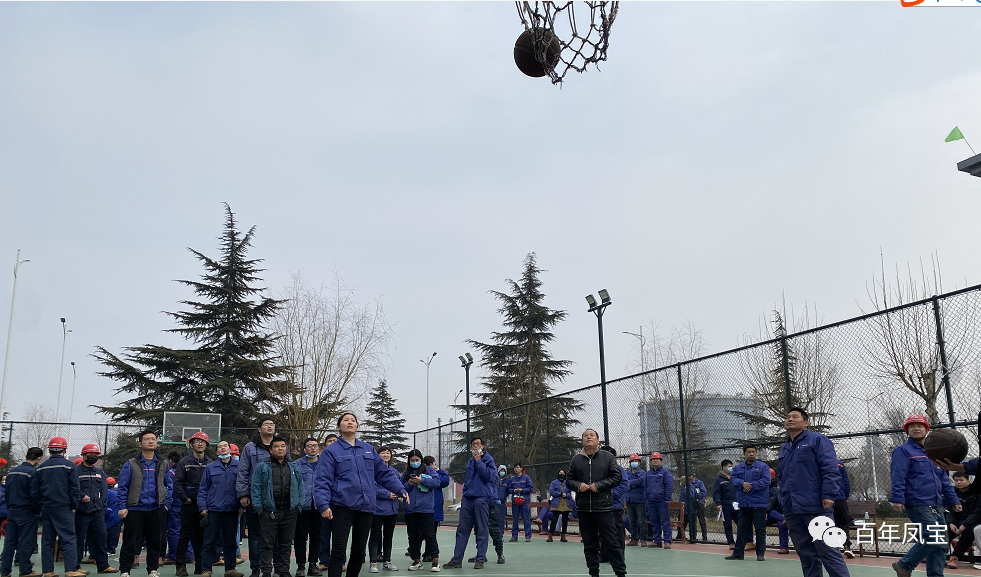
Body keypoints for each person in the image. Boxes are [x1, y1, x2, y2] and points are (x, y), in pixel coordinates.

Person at [314, 413, 407, 577]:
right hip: (342, 506)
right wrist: (323, 504)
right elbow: (322, 479)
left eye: (353, 420)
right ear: (338, 426)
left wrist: (401, 489)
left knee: (359, 551)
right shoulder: (331, 451)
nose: (350, 422)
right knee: (338, 551)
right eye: (345, 420)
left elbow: (383, 473)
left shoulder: (368, 449)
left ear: (357, 426)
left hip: (366, 507)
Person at [778, 407, 850, 577]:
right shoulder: (785, 447)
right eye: (787, 417)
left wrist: (829, 494)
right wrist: (784, 501)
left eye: (795, 417)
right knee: (806, 554)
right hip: (792, 509)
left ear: (806, 423)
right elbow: (783, 477)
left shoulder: (817, 440)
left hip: (816, 507)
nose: (790, 419)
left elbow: (830, 468)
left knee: (829, 552)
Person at [889, 414, 960, 577]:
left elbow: (944, 479)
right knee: (933, 537)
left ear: (927, 429)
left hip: (936, 503)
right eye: (912, 426)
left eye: (920, 425)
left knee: (941, 543)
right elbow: (898, 476)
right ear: (907, 430)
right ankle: (904, 565)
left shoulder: (933, 452)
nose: (916, 428)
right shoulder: (903, 451)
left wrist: (954, 499)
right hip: (917, 503)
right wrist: (898, 499)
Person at [566, 429, 625, 577]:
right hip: (584, 509)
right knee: (589, 545)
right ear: (582, 441)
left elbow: (617, 477)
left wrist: (599, 485)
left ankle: (620, 573)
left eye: (592, 435)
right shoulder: (576, 460)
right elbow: (569, 481)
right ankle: (594, 573)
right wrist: (578, 485)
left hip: (603, 508)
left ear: (598, 440)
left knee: (612, 543)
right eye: (585, 436)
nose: (588, 437)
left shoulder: (608, 457)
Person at [117, 429, 174, 577]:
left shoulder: (163, 463)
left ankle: (152, 570)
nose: (150, 441)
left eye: (153, 439)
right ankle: (125, 570)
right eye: (147, 439)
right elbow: (123, 487)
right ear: (140, 443)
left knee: (155, 542)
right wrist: (122, 507)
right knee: (130, 542)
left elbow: (169, 485)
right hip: (135, 509)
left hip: (156, 508)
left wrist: (166, 504)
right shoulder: (131, 463)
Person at [31, 436, 85, 577]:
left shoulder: (41, 468)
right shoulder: (69, 466)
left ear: (49, 450)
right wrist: (74, 505)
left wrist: (39, 507)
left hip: (47, 508)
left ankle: (48, 571)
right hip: (64, 507)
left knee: (47, 541)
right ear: (64, 450)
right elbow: (74, 488)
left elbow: (35, 491)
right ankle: (70, 570)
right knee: (68, 539)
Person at [250, 436, 303, 577]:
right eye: (276, 446)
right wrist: (259, 508)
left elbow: (301, 487)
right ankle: (266, 572)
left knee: (286, 544)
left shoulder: (294, 466)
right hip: (268, 512)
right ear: (270, 450)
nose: (280, 449)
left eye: (283, 446)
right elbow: (255, 488)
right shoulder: (262, 467)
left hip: (289, 511)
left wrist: (298, 506)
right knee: (267, 545)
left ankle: (284, 571)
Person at [441, 437, 496, 570]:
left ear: (482, 446)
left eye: (478, 444)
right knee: (462, 529)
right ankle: (457, 560)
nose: (475, 446)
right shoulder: (470, 461)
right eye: (473, 444)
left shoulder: (488, 460)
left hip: (481, 498)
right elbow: (468, 479)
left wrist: (479, 461)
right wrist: (465, 492)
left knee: (482, 529)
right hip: (468, 498)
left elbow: (489, 477)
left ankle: (480, 559)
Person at [197, 440, 243, 577]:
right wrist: (203, 507)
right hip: (213, 510)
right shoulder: (210, 467)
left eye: (225, 446)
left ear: (230, 449)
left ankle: (230, 569)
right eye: (219, 447)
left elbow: (243, 487)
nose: (223, 448)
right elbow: (203, 488)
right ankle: (206, 570)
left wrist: (241, 506)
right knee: (209, 541)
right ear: (217, 451)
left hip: (232, 510)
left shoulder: (239, 466)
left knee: (230, 541)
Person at [237, 417, 276, 577]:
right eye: (266, 424)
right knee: (254, 535)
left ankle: (275, 569)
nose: (270, 427)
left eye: (272, 424)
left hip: (277, 498)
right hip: (255, 497)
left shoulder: (280, 446)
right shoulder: (249, 447)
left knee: (275, 535)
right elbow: (243, 471)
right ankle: (256, 569)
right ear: (259, 429)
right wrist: (243, 494)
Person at [0, 447, 43, 577]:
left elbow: (6, 492)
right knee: (25, 541)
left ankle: (5, 571)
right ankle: (25, 570)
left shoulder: (12, 472)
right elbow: (35, 494)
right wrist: (37, 510)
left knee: (9, 542)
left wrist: (10, 506)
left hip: (12, 510)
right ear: (39, 458)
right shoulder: (33, 473)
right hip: (27, 511)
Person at [175, 433, 213, 577]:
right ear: (192, 445)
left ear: (206, 445)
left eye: (203, 442)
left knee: (202, 537)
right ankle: (180, 566)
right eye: (197, 441)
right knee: (184, 536)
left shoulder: (210, 463)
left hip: (205, 507)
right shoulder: (184, 462)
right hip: (188, 506)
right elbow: (177, 483)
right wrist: (185, 499)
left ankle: (200, 566)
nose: (200, 444)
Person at [725, 445, 771, 562]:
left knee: (760, 529)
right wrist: (742, 484)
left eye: (753, 452)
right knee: (742, 529)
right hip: (744, 503)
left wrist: (751, 486)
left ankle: (760, 554)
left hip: (759, 504)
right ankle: (738, 553)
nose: (751, 454)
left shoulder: (763, 467)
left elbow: (766, 480)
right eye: (749, 452)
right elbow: (733, 479)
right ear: (744, 453)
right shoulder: (738, 468)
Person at [75, 444, 116, 574]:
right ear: (83, 455)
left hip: (97, 512)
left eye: (95, 455)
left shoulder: (99, 472)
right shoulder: (76, 471)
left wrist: (102, 507)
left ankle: (103, 566)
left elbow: (104, 491)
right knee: (79, 540)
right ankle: (76, 567)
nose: (93, 457)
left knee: (101, 538)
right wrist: (81, 496)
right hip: (81, 512)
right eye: (90, 454)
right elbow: (72, 488)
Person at [401, 450, 441, 572]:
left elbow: (437, 483)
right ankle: (417, 561)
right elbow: (400, 488)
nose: (414, 462)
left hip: (426, 508)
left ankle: (435, 561)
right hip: (410, 509)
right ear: (409, 461)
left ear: (421, 460)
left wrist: (422, 481)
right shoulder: (406, 473)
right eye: (412, 460)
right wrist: (409, 484)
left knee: (430, 534)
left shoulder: (429, 470)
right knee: (413, 535)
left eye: (417, 460)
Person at [294, 437, 323, 577]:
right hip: (302, 506)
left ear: (318, 448)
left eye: (315, 445)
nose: (312, 448)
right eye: (309, 446)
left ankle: (313, 565)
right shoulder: (296, 464)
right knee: (300, 537)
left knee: (316, 536)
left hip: (319, 505)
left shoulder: (325, 464)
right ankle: (300, 566)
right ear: (304, 449)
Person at [368, 446, 399, 573]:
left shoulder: (394, 471)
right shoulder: (372, 471)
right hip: (377, 508)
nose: (386, 455)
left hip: (392, 509)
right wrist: (387, 494)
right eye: (383, 453)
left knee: (388, 536)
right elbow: (372, 488)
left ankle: (387, 561)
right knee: (375, 535)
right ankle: (373, 563)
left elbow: (399, 485)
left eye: (388, 453)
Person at [945, 471, 980, 569]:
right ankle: (939, 556)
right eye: (956, 480)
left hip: (973, 522)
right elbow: (950, 510)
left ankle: (955, 557)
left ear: (968, 481)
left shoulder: (977, 492)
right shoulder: (953, 492)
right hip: (957, 521)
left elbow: (978, 512)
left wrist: (965, 524)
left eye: (961, 480)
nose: (958, 482)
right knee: (945, 530)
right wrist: (950, 523)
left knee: (968, 532)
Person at [316, 434, 339, 574]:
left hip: (340, 503)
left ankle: (340, 562)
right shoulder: (322, 461)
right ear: (325, 445)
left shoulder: (344, 460)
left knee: (339, 536)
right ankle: (324, 561)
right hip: (325, 503)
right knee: (324, 535)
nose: (332, 443)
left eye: (334, 441)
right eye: (329, 441)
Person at [423, 456, 450, 563]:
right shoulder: (433, 475)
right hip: (432, 508)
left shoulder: (427, 475)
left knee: (428, 532)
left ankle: (427, 552)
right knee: (430, 533)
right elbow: (443, 481)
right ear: (432, 464)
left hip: (432, 508)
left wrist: (439, 471)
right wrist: (438, 471)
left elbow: (445, 481)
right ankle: (429, 552)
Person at [644, 452, 672, 549]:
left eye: (657, 459)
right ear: (651, 461)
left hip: (662, 501)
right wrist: (647, 498)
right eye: (653, 459)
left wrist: (667, 498)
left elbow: (669, 486)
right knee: (654, 522)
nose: (655, 460)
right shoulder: (648, 473)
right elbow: (645, 486)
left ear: (661, 460)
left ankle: (667, 542)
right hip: (651, 501)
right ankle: (657, 541)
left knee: (665, 521)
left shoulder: (665, 473)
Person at [832, 460, 853, 559]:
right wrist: (844, 495)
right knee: (843, 523)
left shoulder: (821, 462)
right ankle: (847, 546)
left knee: (830, 523)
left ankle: (833, 548)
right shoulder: (839, 464)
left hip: (827, 499)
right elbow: (845, 481)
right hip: (840, 497)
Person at [624, 455, 646, 547]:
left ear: (639, 463)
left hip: (640, 500)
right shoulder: (626, 474)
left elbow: (641, 481)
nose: (634, 463)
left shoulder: (643, 473)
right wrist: (633, 484)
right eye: (632, 461)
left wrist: (630, 483)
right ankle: (633, 539)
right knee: (631, 521)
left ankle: (643, 539)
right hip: (629, 500)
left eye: (636, 461)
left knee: (641, 521)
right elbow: (625, 483)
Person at [713, 460, 737, 550]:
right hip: (725, 504)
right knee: (727, 524)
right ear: (723, 467)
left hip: (736, 504)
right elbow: (716, 493)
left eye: (732, 466)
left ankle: (742, 542)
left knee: (741, 523)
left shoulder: (734, 477)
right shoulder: (719, 479)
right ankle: (731, 542)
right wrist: (718, 503)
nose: (731, 468)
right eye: (729, 466)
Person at [506, 464, 533, 542]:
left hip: (524, 501)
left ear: (521, 468)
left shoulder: (526, 478)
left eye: (518, 467)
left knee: (526, 518)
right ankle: (514, 536)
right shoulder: (512, 479)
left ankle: (528, 536)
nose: (516, 469)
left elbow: (530, 488)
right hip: (515, 502)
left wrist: (522, 490)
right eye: (515, 468)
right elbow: (509, 489)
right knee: (515, 519)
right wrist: (513, 490)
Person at [765, 469, 789, 555]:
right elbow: (771, 503)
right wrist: (766, 512)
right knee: (771, 512)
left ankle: (784, 547)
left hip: (788, 515)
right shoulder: (777, 493)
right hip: (776, 515)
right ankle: (784, 519)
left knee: (781, 524)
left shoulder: (791, 494)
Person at [547, 469, 573, 543]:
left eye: (563, 473)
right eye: (560, 473)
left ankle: (563, 536)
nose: (561, 474)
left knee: (565, 521)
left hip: (566, 505)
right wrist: (560, 494)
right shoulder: (554, 482)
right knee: (554, 520)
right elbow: (552, 492)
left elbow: (571, 493)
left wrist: (566, 495)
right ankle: (550, 535)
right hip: (556, 504)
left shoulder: (568, 483)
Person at [105, 477, 122, 558]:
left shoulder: (106, 492)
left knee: (110, 533)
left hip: (112, 514)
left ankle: (109, 549)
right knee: (114, 533)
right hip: (117, 514)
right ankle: (111, 549)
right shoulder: (116, 492)